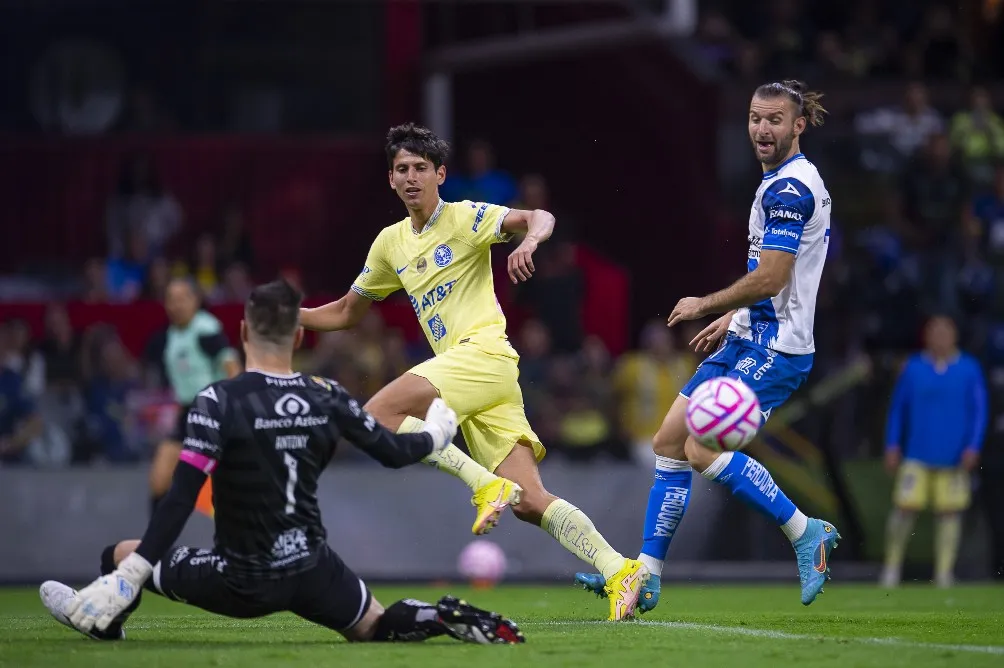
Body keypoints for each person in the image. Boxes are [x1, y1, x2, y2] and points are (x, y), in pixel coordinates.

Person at [39, 279, 524, 646]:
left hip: (241, 578)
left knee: (115, 554)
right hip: (314, 570)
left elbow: (182, 496)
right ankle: (440, 617)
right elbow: (395, 454)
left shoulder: (218, 400)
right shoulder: (327, 394)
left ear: (245, 330)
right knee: (376, 624)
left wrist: (133, 572)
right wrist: (438, 432)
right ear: (297, 338)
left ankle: (106, 620)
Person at [300, 123, 646, 620]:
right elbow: (346, 312)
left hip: (481, 354)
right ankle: (618, 569)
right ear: (391, 180)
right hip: (478, 376)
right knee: (530, 501)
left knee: (377, 414)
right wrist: (292, 318)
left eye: (422, 168)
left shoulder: (463, 218)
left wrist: (528, 242)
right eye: (403, 169)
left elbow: (539, 216)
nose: (412, 177)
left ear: (441, 174)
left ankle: (483, 484)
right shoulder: (390, 243)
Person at [577, 80, 840, 612]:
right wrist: (736, 315)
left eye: (774, 120)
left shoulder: (789, 190)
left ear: (798, 125)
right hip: (751, 333)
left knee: (702, 446)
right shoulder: (780, 180)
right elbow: (777, 280)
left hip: (777, 346)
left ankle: (805, 531)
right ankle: (647, 576)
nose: (762, 130)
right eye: (754, 118)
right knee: (669, 442)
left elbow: (771, 276)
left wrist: (707, 304)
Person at [880, 314, 987, 588]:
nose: (939, 337)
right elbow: (898, 410)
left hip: (953, 456)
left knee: (949, 512)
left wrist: (973, 446)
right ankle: (891, 569)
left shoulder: (969, 369)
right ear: (926, 336)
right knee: (904, 508)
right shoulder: (913, 368)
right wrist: (892, 444)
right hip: (916, 453)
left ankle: (943, 573)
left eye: (944, 331)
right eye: (934, 331)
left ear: (955, 336)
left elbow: (979, 412)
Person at [145, 277, 241, 514]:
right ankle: (156, 547)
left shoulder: (206, 329)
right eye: (171, 300)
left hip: (214, 413)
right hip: (187, 413)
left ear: (195, 301)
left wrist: (234, 406)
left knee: (230, 491)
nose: (176, 305)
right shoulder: (169, 336)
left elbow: (231, 366)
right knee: (159, 481)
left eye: (182, 299)